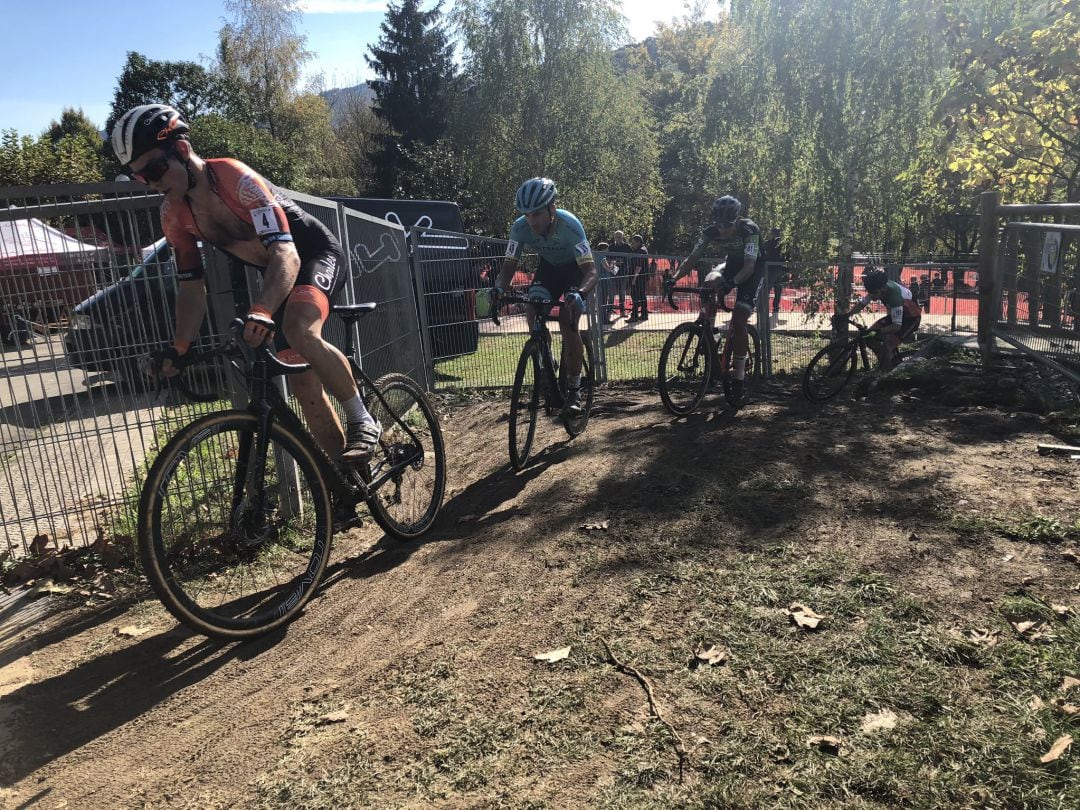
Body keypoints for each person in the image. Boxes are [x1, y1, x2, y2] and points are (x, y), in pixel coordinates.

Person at [111, 103, 380, 463]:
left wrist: (263, 308)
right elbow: (191, 286)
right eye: (142, 177)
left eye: (156, 169)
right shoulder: (173, 215)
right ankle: (349, 483)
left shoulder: (235, 179)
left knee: (300, 329)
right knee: (303, 386)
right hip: (279, 276)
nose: (154, 181)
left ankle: (363, 420)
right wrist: (180, 347)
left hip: (313, 254)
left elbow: (288, 255)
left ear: (182, 150)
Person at [490, 177, 597, 415]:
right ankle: (546, 356)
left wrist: (580, 293)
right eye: (526, 215)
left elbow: (591, 271)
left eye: (537, 214)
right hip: (548, 270)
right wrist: (499, 287)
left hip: (574, 272)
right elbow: (508, 267)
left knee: (566, 322)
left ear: (552, 209)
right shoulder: (519, 228)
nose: (532, 221)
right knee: (532, 308)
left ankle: (574, 389)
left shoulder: (570, 226)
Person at [663, 194, 765, 404]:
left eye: (726, 225)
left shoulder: (749, 229)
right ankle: (711, 336)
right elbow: (692, 258)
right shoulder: (710, 231)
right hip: (731, 265)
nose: (722, 230)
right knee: (709, 282)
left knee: (739, 318)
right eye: (718, 225)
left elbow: (748, 267)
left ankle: (738, 377)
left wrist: (731, 284)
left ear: (737, 220)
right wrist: (674, 279)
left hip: (752, 269)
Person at [844, 268, 922, 369]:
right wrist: (846, 315)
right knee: (868, 338)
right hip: (898, 315)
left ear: (883, 289)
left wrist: (878, 332)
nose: (872, 296)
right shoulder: (876, 288)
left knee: (887, 346)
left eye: (874, 293)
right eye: (870, 293)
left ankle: (886, 376)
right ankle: (887, 363)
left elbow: (896, 326)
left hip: (910, 319)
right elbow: (862, 304)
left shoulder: (894, 297)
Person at [763, 226, 788, 325]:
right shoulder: (784, 244)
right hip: (780, 269)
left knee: (767, 290)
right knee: (778, 290)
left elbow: (763, 251)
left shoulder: (769, 243)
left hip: (771, 269)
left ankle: (765, 308)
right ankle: (775, 308)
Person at [608, 230, 633, 318]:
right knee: (612, 292)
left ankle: (622, 312)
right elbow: (608, 259)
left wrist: (624, 262)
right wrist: (614, 262)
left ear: (622, 237)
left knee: (622, 292)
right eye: (617, 236)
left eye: (620, 236)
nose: (618, 238)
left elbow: (631, 258)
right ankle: (609, 311)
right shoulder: (611, 247)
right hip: (614, 272)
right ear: (614, 237)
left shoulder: (627, 246)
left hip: (624, 272)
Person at [628, 234, 650, 322]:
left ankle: (634, 316)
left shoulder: (640, 251)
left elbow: (638, 266)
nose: (632, 244)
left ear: (638, 242)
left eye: (633, 242)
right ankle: (644, 315)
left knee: (635, 296)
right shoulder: (643, 249)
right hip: (642, 278)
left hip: (638, 278)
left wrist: (634, 278)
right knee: (642, 296)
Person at [595, 241, 615, 324]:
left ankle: (600, 319)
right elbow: (608, 269)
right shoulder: (602, 257)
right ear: (603, 249)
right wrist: (613, 264)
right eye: (607, 249)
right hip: (604, 280)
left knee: (601, 299)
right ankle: (604, 319)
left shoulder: (595, 256)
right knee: (604, 300)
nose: (608, 251)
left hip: (598, 280)